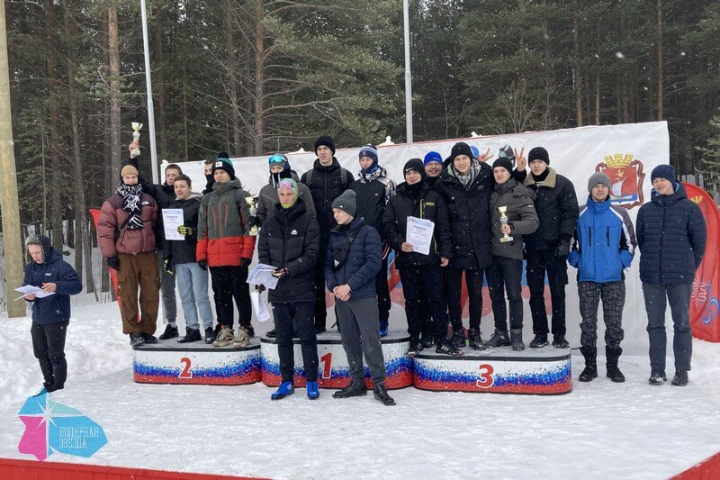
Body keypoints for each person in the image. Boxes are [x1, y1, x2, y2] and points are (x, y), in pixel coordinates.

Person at [434, 142, 527, 350]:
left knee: (476, 293)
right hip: (454, 248)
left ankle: (475, 333)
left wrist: (520, 171)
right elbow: (441, 220)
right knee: (454, 293)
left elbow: (508, 184)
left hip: (479, 247)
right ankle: (458, 331)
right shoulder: (444, 182)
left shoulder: (485, 175)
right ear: (452, 162)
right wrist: (445, 249)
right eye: (457, 159)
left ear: (471, 159)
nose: (461, 162)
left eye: (464, 158)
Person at [636, 165, 706, 386]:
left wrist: (688, 266)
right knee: (655, 324)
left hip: (679, 277)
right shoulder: (646, 210)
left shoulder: (689, 208)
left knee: (682, 324)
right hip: (651, 276)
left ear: (672, 181)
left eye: (662, 180)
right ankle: (657, 370)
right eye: (655, 180)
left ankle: (682, 371)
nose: (658, 183)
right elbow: (642, 240)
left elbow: (699, 242)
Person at [326, 190, 395, 406]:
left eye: (338, 211)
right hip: (341, 297)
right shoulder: (334, 234)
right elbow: (327, 265)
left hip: (362, 296)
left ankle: (379, 384)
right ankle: (357, 382)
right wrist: (335, 286)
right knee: (349, 341)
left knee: (371, 340)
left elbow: (373, 264)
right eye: (334, 212)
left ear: (349, 211)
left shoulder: (369, 233)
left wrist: (350, 286)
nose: (335, 215)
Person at [568, 173, 637, 383]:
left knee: (614, 324)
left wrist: (620, 262)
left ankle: (613, 366)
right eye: (596, 186)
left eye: (603, 186)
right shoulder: (579, 214)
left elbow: (630, 244)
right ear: (590, 189)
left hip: (614, 280)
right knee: (588, 324)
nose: (600, 189)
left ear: (609, 189)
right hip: (587, 278)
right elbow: (570, 244)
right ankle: (590, 366)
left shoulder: (620, 214)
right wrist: (579, 261)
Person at [384, 159, 457, 356]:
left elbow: (443, 227)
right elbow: (388, 226)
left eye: (415, 172)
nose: (412, 176)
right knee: (413, 302)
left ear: (421, 174)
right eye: (408, 173)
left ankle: (442, 339)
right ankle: (416, 339)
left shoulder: (433, 197)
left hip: (431, 261)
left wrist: (445, 252)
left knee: (437, 300)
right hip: (407, 261)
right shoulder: (396, 200)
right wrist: (399, 243)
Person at [258, 178, 321, 400]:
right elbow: (263, 254)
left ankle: (312, 379)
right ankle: (286, 380)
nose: (285, 198)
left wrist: (289, 269)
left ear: (296, 195)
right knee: (283, 337)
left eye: (289, 194)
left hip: (302, 289)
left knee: (306, 336)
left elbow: (312, 255)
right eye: (282, 194)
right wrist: (266, 273)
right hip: (279, 291)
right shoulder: (269, 224)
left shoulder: (308, 221)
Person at [196, 152, 256, 348]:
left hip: (236, 255)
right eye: (216, 172)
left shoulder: (244, 195)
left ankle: (245, 328)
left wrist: (247, 253)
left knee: (240, 293)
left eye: (222, 172)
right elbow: (202, 229)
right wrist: (201, 255)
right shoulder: (207, 199)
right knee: (221, 295)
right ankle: (225, 328)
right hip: (215, 256)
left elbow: (252, 226)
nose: (219, 175)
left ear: (230, 173)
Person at [98, 164, 160, 346]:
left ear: (138, 178)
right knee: (128, 294)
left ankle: (148, 329)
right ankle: (133, 331)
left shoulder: (148, 199)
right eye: (127, 178)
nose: (131, 180)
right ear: (122, 179)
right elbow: (104, 230)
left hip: (147, 253)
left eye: (133, 177)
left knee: (151, 293)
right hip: (125, 254)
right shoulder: (112, 202)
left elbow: (155, 223)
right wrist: (110, 254)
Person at [523, 147, 579, 349]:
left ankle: (559, 334)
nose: (536, 165)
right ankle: (540, 333)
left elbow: (570, 213)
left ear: (547, 162)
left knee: (557, 291)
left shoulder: (562, 184)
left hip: (555, 247)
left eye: (539, 161)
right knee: (535, 292)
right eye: (533, 162)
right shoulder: (524, 185)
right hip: (532, 248)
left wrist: (565, 240)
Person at [127, 144, 182, 341]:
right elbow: (139, 181)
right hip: (161, 248)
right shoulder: (158, 192)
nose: (171, 177)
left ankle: (199, 327)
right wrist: (134, 159)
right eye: (169, 175)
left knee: (190, 290)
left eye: (175, 174)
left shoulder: (186, 195)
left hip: (183, 250)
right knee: (166, 288)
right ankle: (172, 324)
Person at [301, 135, 354, 333]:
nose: (322, 152)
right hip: (315, 238)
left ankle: (344, 321)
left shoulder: (345, 176)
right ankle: (318, 322)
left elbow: (352, 208)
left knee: (341, 279)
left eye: (326, 148)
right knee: (315, 282)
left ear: (332, 151)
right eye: (319, 148)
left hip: (339, 237)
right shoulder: (307, 177)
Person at [485, 157, 538, 350]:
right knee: (495, 295)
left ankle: (516, 335)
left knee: (514, 295)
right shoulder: (490, 192)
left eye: (503, 171)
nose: (499, 174)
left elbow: (533, 222)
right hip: (491, 253)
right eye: (496, 171)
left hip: (511, 254)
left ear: (510, 172)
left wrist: (513, 227)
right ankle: (501, 333)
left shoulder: (520, 193)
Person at [23, 235, 82, 392]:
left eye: (37, 252)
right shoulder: (31, 268)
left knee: (55, 354)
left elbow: (76, 286)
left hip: (57, 317)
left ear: (45, 249)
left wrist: (57, 286)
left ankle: (59, 386)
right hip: (38, 317)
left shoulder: (61, 266)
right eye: (32, 253)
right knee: (40, 353)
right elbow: (26, 286)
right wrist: (28, 296)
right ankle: (48, 383)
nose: (35, 256)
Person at [349, 144, 396, 336]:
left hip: (379, 241)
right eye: (362, 159)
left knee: (379, 282)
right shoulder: (354, 185)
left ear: (375, 160)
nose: (365, 162)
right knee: (359, 282)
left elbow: (391, 213)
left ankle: (383, 320)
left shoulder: (386, 183)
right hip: (358, 242)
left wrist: (386, 236)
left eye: (368, 159)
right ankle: (362, 321)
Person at [162, 174, 215, 344]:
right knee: (185, 296)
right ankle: (192, 328)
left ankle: (208, 327)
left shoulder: (197, 205)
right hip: (179, 258)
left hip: (195, 257)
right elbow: (167, 236)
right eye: (177, 186)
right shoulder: (170, 208)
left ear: (189, 187)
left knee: (201, 295)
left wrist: (190, 231)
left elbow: (204, 229)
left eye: (182, 186)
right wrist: (167, 257)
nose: (179, 189)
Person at [256, 154, 316, 225]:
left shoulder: (302, 188)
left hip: (297, 232)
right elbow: (262, 215)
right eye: (273, 169)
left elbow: (311, 215)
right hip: (273, 233)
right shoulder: (264, 191)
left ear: (286, 168)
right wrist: (257, 220)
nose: (276, 171)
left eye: (279, 168)